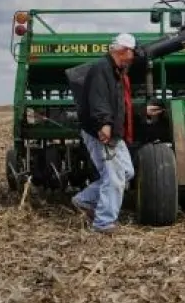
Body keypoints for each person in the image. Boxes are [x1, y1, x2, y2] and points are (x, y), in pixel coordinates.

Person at [69, 32, 162, 232]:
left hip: (113, 130)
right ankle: (103, 222)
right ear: (123, 51)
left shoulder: (116, 71)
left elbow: (119, 104)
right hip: (101, 131)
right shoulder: (102, 69)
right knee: (114, 177)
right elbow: (98, 99)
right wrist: (104, 124)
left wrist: (139, 111)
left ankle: (83, 200)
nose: (133, 57)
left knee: (126, 172)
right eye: (132, 52)